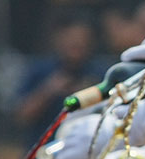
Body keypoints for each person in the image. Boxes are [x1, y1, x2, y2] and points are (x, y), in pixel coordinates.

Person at [14, 14, 103, 145]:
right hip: (41, 153)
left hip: (85, 151)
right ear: (58, 39)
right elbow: (21, 116)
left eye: (82, 38)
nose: (76, 43)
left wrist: (90, 95)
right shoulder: (40, 71)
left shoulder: (100, 74)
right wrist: (48, 90)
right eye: (70, 38)